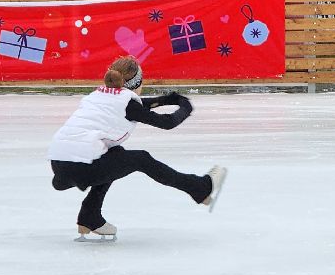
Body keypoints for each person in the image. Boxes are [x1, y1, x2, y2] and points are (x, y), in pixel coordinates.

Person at [48, 56, 227, 243]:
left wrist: (168, 99)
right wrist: (186, 107)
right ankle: (200, 187)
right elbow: (167, 123)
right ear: (137, 83)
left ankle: (89, 217)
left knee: (116, 155)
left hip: (59, 165)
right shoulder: (128, 105)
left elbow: (139, 105)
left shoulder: (98, 96)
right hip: (81, 167)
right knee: (141, 159)